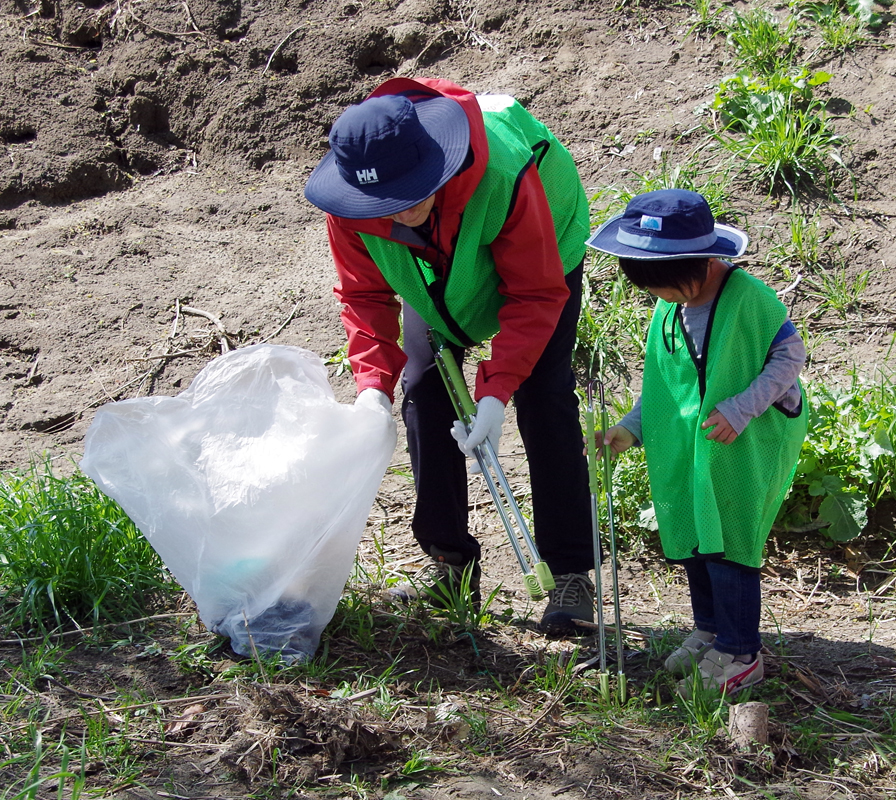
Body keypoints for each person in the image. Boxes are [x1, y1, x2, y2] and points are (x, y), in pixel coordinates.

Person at [303, 77, 597, 634]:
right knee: (424, 388)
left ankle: (570, 573)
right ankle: (449, 560)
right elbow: (365, 296)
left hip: (541, 254)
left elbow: (534, 294)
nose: (401, 209)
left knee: (543, 393)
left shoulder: (502, 175)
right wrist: (371, 387)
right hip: (434, 275)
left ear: (434, 164)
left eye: (412, 192)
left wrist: (495, 391)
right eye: (385, 202)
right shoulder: (350, 204)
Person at [586, 189, 808, 694]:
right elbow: (664, 388)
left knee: (730, 546)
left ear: (705, 262)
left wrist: (740, 408)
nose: (660, 297)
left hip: (746, 440)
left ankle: (739, 653)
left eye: (667, 285)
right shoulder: (668, 311)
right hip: (693, 448)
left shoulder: (750, 298)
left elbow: (791, 356)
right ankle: (710, 629)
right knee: (694, 539)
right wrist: (630, 428)